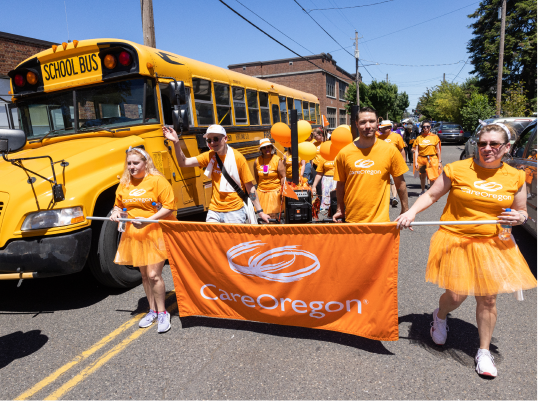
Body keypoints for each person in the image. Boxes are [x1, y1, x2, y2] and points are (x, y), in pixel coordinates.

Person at [396, 122, 538, 378]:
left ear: (506, 148)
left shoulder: (515, 176)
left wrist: (519, 218)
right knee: (456, 296)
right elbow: (431, 195)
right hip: (456, 239)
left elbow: (522, 212)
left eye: (494, 144)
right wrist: (411, 212)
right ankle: (439, 316)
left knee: (488, 298)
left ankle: (483, 351)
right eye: (483, 143)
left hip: (493, 243)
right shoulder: (458, 169)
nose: (487, 148)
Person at [111, 146, 176, 333]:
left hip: (155, 231)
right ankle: (152, 310)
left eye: (135, 163)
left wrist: (148, 220)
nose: (131, 167)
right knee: (145, 276)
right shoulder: (124, 183)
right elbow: (118, 205)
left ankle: (163, 313)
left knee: (155, 275)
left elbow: (169, 207)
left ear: (145, 163)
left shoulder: (157, 181)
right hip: (134, 234)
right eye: (129, 163)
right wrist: (116, 213)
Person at [163, 125, 270, 224]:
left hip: (235, 210)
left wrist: (260, 211)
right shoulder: (209, 156)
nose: (212, 143)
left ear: (225, 138)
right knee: (213, 243)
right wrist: (176, 142)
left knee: (234, 244)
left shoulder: (238, 158)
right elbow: (184, 162)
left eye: (216, 139)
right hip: (214, 209)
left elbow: (250, 187)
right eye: (209, 140)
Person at [333, 107, 409, 223]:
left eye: (371, 121)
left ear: (377, 123)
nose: (367, 126)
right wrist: (340, 209)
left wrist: (405, 210)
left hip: (380, 221)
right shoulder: (344, 153)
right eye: (363, 122)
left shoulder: (390, 150)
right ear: (356, 124)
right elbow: (340, 184)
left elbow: (400, 183)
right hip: (352, 220)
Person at [254, 138, 286, 219]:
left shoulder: (277, 160)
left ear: (271, 148)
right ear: (261, 149)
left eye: (268, 147)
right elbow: (257, 177)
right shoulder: (257, 161)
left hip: (275, 192)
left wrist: (282, 190)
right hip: (262, 193)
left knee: (273, 217)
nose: (266, 149)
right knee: (264, 217)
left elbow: (283, 176)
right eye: (264, 148)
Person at [378, 120, 407, 207]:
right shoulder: (379, 138)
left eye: (383, 128)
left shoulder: (397, 137)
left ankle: (394, 198)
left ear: (389, 128)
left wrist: (403, 160)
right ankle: (383, 197)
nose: (381, 130)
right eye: (381, 128)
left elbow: (402, 149)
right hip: (382, 163)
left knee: (394, 181)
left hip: (394, 162)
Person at [414, 122, 442, 195]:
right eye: (424, 127)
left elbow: (438, 150)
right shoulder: (419, 138)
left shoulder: (435, 137)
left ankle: (432, 193)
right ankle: (423, 191)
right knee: (422, 176)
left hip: (432, 159)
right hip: (422, 159)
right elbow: (416, 150)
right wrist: (416, 162)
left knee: (432, 177)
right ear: (422, 128)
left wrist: (439, 161)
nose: (425, 128)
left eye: (427, 126)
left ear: (430, 127)